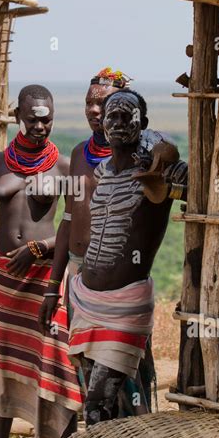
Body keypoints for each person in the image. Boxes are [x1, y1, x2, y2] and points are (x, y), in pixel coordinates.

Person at [45, 87, 187, 427]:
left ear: (143, 123)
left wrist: (176, 171)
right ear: (103, 125)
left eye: (128, 116)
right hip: (85, 298)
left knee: (97, 403)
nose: (120, 123)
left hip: (124, 305)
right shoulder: (102, 173)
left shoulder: (157, 173)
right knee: (97, 406)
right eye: (114, 116)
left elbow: (188, 184)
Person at [0, 84, 82, 438]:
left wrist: (39, 248)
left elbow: (77, 227)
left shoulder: (65, 168)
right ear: (17, 115)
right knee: (1, 364)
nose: (39, 126)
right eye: (32, 118)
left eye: (46, 118)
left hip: (45, 279)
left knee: (53, 363)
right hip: (4, 277)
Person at [39, 68, 155, 415]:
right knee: (89, 373)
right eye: (90, 102)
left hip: (120, 283)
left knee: (127, 375)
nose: (93, 110)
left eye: (102, 103)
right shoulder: (78, 155)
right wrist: (53, 287)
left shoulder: (141, 159)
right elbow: (68, 221)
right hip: (79, 279)